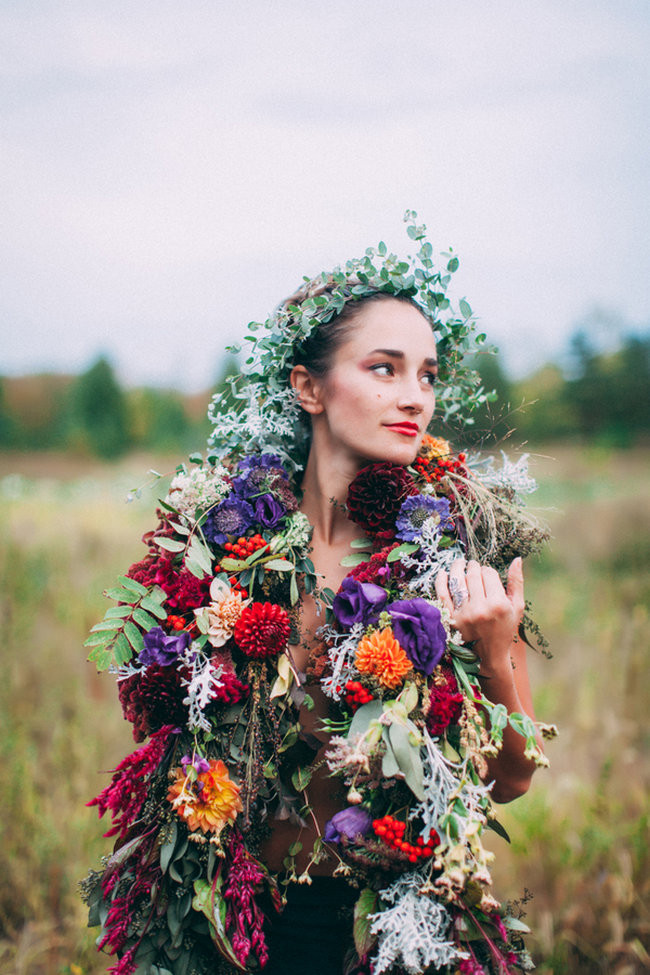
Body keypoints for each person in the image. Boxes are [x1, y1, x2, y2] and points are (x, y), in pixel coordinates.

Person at [83, 215, 550, 975]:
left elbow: (515, 778)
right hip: (232, 920)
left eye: (428, 374)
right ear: (308, 386)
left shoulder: (452, 558)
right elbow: (153, 715)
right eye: (385, 368)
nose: (415, 398)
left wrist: (495, 652)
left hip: (389, 927)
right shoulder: (217, 547)